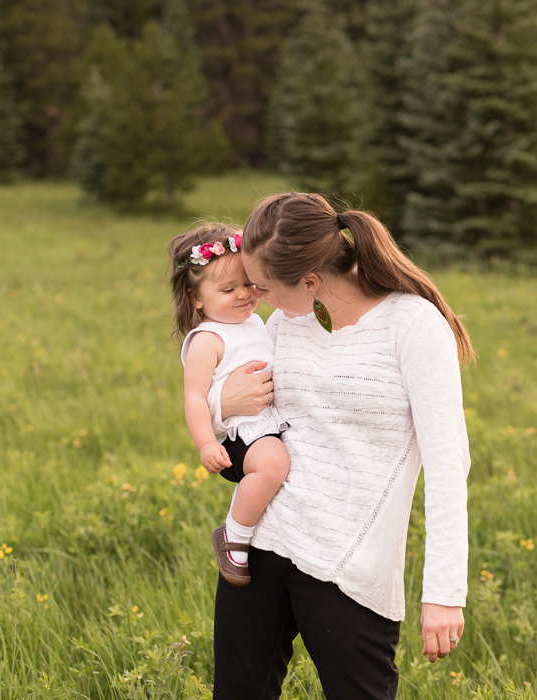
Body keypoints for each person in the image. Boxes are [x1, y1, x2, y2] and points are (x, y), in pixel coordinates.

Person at [209, 193, 475, 700]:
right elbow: (244, 424)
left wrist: (444, 593)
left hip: (349, 566)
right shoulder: (285, 322)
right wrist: (222, 402)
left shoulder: (412, 326)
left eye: (263, 287)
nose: (255, 298)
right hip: (261, 546)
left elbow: (447, 464)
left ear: (309, 281)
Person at [167, 223, 290, 587]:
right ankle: (234, 535)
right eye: (228, 289)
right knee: (273, 464)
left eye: (248, 283)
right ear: (196, 299)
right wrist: (206, 443)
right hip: (244, 432)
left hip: (271, 420)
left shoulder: (255, 321)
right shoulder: (208, 339)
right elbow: (194, 397)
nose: (243, 294)